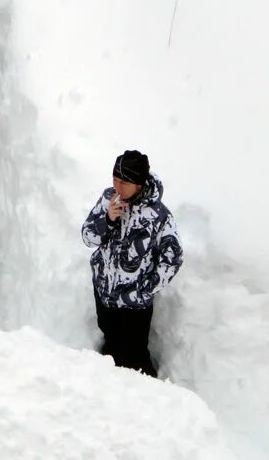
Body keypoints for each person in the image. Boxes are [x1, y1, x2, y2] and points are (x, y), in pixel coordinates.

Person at [81, 150, 183, 377]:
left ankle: (149, 400)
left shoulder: (158, 216)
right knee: (110, 347)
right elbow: (88, 237)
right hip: (105, 294)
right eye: (114, 179)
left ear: (138, 183)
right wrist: (107, 220)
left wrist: (145, 288)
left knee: (133, 357)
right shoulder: (109, 199)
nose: (117, 187)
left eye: (124, 182)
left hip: (134, 306)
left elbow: (172, 258)